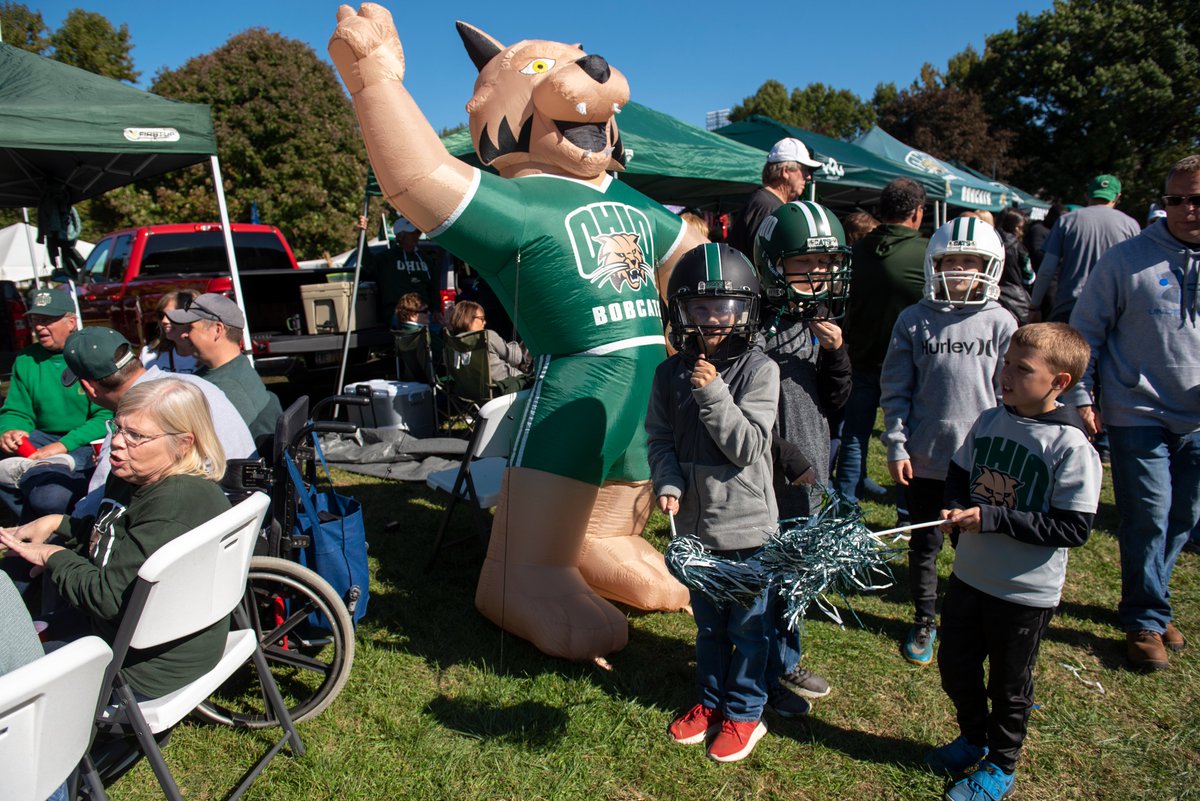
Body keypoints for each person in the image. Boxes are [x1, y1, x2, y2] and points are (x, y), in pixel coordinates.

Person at [927, 322, 1100, 801]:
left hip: (1024, 592)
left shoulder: (1071, 447)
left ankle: (1001, 765)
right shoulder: (988, 420)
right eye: (1005, 363)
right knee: (955, 666)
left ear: (1059, 383)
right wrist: (953, 506)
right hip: (970, 576)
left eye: (1022, 369)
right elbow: (960, 474)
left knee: (1009, 684)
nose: (1005, 374)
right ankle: (972, 738)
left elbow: (1074, 528)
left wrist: (994, 518)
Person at [1067, 154, 1200, 671]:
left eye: (1197, 199)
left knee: (1184, 517)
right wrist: (1083, 395)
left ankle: (1152, 596)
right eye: (1176, 199)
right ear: (1162, 202)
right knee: (1149, 513)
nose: (1187, 209)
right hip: (1137, 409)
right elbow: (1087, 333)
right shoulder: (1127, 259)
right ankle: (1145, 620)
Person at [647, 243, 778, 763]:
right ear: (680, 312)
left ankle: (745, 711)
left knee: (749, 626)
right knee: (708, 624)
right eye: (699, 309)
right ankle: (709, 700)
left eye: (725, 307)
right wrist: (668, 482)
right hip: (696, 529)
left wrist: (713, 393)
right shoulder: (667, 372)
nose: (712, 320)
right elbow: (659, 438)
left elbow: (747, 447)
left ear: (747, 310)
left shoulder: (759, 370)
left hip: (745, 528)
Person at [881, 216, 1016, 666]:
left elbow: (1008, 396)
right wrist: (897, 445)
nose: (960, 269)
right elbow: (896, 391)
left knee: (975, 546)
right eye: (951, 260)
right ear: (933, 263)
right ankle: (924, 617)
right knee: (925, 545)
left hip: (982, 462)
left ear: (990, 265)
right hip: (927, 457)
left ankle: (967, 617)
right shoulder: (913, 319)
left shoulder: (1001, 322)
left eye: (970, 260)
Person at [753, 200, 852, 713]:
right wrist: (789, 458)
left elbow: (837, 401)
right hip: (766, 476)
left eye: (827, 265)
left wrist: (836, 354)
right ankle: (763, 673)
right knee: (765, 576)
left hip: (811, 472)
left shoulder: (822, 321)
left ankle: (786, 658)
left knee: (797, 574)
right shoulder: (751, 324)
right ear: (774, 262)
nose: (819, 275)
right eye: (805, 264)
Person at [58, 326, 256, 519]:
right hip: (245, 510)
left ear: (89, 387)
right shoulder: (193, 384)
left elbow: (97, 507)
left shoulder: (132, 417)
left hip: (198, 522)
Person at [835, 178, 929, 504]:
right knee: (906, 440)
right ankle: (905, 511)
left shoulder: (855, 252)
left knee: (854, 435)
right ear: (917, 212)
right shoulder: (927, 255)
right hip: (908, 366)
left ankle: (846, 505)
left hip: (860, 357)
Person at [0, 288, 111, 522]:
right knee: (43, 489)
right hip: (42, 439)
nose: (39, 327)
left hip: (85, 442)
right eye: (36, 320)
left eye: (47, 320)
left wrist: (63, 445)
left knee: (50, 496)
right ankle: (38, 520)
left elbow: (106, 416)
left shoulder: (90, 353)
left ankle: (49, 523)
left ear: (71, 322)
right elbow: (17, 409)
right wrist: (10, 430)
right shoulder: (27, 359)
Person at [166, 293, 283, 441]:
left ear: (217, 330)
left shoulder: (227, 388)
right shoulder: (234, 369)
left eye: (190, 328)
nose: (184, 335)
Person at [1030, 174, 1141, 323]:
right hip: (1112, 310)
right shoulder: (1130, 225)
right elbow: (1136, 273)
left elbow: (1047, 270)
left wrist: (1034, 306)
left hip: (1069, 308)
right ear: (1117, 197)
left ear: (1087, 195)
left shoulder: (1066, 221)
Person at [728, 138, 822, 259]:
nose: (808, 176)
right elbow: (765, 263)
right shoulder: (768, 207)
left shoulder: (765, 202)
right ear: (786, 171)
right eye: (804, 170)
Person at [362, 214, 439, 322]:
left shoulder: (425, 259)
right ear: (400, 236)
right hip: (397, 315)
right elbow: (367, 264)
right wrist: (362, 235)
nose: (416, 236)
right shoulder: (386, 258)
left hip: (423, 313)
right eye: (411, 233)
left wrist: (436, 309)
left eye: (417, 232)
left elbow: (433, 286)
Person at [447, 300, 530, 395]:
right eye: (481, 319)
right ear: (468, 319)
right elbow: (516, 358)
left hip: (471, 392)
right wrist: (515, 345)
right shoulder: (487, 336)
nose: (485, 322)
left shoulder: (452, 342)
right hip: (501, 387)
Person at [139, 290, 200, 374]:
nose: (164, 320)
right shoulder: (149, 355)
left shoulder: (211, 357)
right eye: (161, 315)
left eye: (172, 315)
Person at [994, 208, 1035, 324]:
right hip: (1017, 302)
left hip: (990, 298)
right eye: (1019, 227)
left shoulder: (989, 243)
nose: (1021, 232)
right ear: (1011, 225)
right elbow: (1029, 277)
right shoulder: (1019, 247)